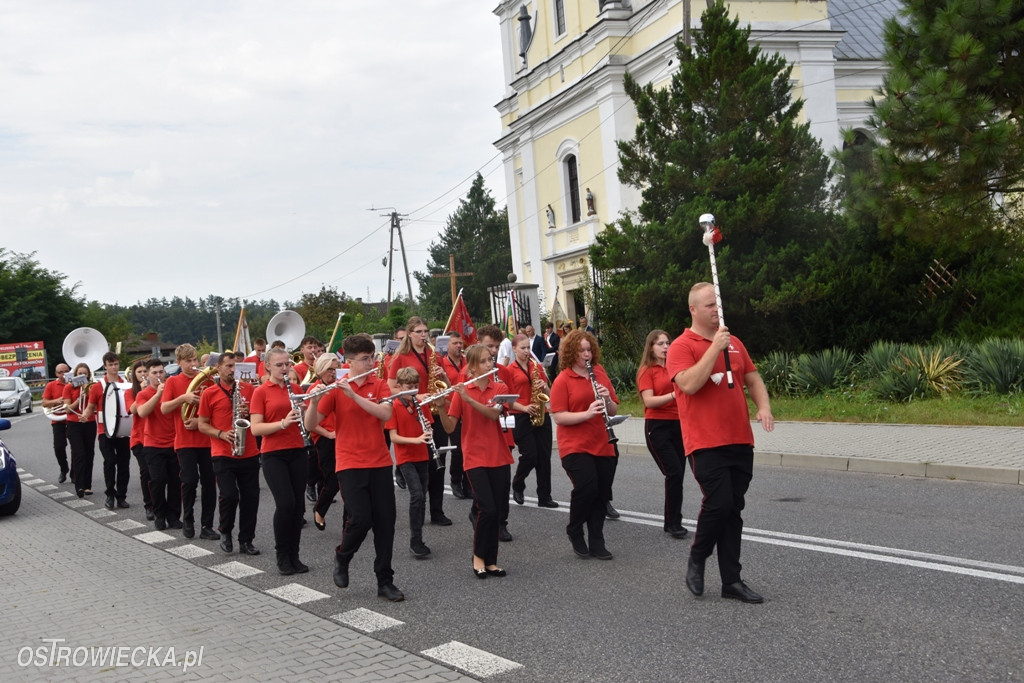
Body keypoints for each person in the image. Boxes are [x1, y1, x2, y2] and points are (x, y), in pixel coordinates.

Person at [667, 282, 774, 604]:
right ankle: (697, 557)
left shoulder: (736, 343)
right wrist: (715, 347)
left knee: (733, 510)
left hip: (739, 438)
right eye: (710, 305)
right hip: (704, 441)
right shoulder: (681, 347)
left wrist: (764, 406)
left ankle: (732, 580)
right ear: (694, 310)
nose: (717, 309)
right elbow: (689, 384)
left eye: (719, 303)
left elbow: (752, 379)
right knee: (720, 503)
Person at [306, 333, 404, 602]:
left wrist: (355, 396)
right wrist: (314, 402)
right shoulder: (336, 388)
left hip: (380, 462)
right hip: (349, 463)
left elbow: (385, 414)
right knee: (360, 518)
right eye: (365, 358)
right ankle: (343, 556)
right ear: (350, 362)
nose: (371, 361)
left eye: (372, 356)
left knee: (386, 524)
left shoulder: (380, 384)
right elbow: (310, 423)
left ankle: (385, 581)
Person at [438, 344, 513, 578]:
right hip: (474, 456)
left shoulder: (499, 387)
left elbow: (493, 414)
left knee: (498, 511)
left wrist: (467, 399)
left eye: (490, 360)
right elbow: (450, 426)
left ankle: (491, 561)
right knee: (486, 509)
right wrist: (441, 406)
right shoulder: (463, 391)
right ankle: (479, 556)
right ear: (471, 367)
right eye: (483, 361)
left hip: (499, 455)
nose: (489, 364)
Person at [549, 329, 620, 560]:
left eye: (589, 350)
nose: (587, 354)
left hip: (602, 441)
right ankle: (575, 528)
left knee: (601, 493)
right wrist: (587, 413)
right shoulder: (563, 380)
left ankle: (597, 540)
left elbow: (613, 409)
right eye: (581, 351)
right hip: (575, 444)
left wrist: (607, 398)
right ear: (572, 352)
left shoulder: (599, 372)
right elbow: (559, 416)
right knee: (587, 488)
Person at [251, 347, 310, 575]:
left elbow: (303, 422)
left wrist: (305, 410)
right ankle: (282, 555)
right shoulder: (261, 392)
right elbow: (256, 428)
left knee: (297, 507)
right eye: (279, 365)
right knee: (285, 504)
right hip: (274, 453)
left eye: (287, 364)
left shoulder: (295, 388)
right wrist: (283, 423)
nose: (285, 368)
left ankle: (294, 555)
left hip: (297, 450)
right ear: (267, 366)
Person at [387, 317, 451, 526]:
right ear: (410, 334)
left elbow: (444, 383)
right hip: (413, 411)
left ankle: (437, 510)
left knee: (438, 463)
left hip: (436, 410)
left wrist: (443, 375)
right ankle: (420, 508)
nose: (424, 335)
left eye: (425, 331)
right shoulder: (400, 357)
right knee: (423, 463)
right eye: (419, 332)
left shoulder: (434, 354)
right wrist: (416, 396)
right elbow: (390, 388)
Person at [197, 351, 261, 556]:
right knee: (229, 495)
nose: (233, 370)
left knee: (251, 497)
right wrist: (221, 434)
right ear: (218, 368)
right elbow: (202, 425)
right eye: (229, 366)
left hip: (249, 450)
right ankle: (225, 531)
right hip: (223, 451)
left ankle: (246, 540)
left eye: (236, 366)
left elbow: (259, 417)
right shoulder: (209, 393)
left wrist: (247, 412)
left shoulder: (248, 389)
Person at [161, 344, 219, 541]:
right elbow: (164, 408)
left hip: (207, 439)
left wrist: (200, 421)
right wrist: (183, 398)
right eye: (188, 361)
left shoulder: (209, 380)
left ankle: (207, 525)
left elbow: (218, 410)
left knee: (210, 483)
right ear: (178, 362)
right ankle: (187, 520)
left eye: (195, 360)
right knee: (189, 481)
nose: (193, 364)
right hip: (185, 441)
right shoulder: (173, 382)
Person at [637, 330, 688, 539]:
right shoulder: (647, 371)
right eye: (660, 344)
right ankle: (673, 522)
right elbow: (649, 401)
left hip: (679, 425)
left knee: (678, 476)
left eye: (668, 343)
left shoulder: (676, 368)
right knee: (673, 472)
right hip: (657, 427)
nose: (666, 347)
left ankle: (673, 520)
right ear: (651, 347)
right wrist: (673, 395)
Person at [474, 325, 519, 542]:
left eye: (496, 347)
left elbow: (511, 400)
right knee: (483, 484)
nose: (493, 351)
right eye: (489, 346)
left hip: (502, 430)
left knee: (502, 484)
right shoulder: (470, 374)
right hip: (479, 435)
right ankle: (479, 512)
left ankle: (501, 523)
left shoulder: (505, 371)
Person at [386, 367, 434, 559]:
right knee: (416, 496)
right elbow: (394, 437)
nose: (413, 390)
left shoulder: (421, 404)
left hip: (422, 455)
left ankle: (419, 538)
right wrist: (416, 439)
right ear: (399, 387)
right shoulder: (393, 406)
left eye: (415, 386)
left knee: (423, 497)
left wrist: (428, 427)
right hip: (406, 457)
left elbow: (429, 424)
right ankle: (415, 540)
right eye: (408, 387)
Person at [507, 334, 558, 508]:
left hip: (540, 412)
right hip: (520, 415)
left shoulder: (536, 366)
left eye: (528, 348)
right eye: (523, 348)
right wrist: (524, 407)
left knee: (544, 457)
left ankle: (545, 496)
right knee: (530, 455)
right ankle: (518, 484)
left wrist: (545, 388)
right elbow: (507, 399)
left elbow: (549, 394)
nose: (527, 351)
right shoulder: (509, 370)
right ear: (514, 349)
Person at [135, 359, 183, 530]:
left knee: (176, 482)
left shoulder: (172, 391)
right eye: (154, 373)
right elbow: (141, 412)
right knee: (157, 480)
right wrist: (157, 395)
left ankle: (174, 516)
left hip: (174, 442)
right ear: (147, 375)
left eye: (161, 372)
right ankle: (159, 515)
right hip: (153, 444)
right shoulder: (143, 394)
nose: (158, 376)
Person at [88, 351, 132, 510]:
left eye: (116, 364)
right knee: (110, 461)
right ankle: (109, 494)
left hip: (123, 430)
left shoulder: (125, 384)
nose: (114, 367)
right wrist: (84, 415)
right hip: (104, 431)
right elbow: (91, 407)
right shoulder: (97, 386)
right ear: (105, 366)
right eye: (110, 364)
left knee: (124, 464)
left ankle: (121, 496)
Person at [310, 354, 341, 531]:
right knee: (333, 480)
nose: (333, 373)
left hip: (342, 436)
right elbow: (310, 422)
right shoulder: (315, 389)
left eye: (335, 369)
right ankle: (320, 510)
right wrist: (328, 434)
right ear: (320, 370)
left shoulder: (338, 387)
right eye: (330, 369)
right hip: (325, 438)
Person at [439, 331, 469, 499]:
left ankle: (468, 482)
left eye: (460, 343)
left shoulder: (468, 361)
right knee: (457, 449)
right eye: (455, 343)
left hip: (469, 409)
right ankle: (455, 480)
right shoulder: (442, 364)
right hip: (452, 410)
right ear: (447, 346)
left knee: (468, 448)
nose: (459, 346)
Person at [125, 360, 154, 520]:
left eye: (145, 371)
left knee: (160, 475)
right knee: (146, 472)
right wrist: (142, 392)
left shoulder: (157, 390)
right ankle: (148, 505)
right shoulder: (130, 392)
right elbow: (132, 409)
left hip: (156, 437)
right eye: (139, 372)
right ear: (134, 376)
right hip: (139, 438)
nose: (143, 374)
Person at [62, 363, 96, 498]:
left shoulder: (92, 387)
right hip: (74, 424)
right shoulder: (69, 387)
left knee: (89, 454)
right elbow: (67, 408)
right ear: (75, 375)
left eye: (85, 374)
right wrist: (80, 398)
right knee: (79, 454)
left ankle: (87, 485)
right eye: (79, 374)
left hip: (89, 422)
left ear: (88, 375)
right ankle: (79, 485)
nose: (82, 376)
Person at [41, 363, 71, 482]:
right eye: (60, 372)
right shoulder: (51, 385)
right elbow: (44, 403)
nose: (63, 374)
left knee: (77, 448)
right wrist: (56, 401)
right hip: (58, 420)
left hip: (73, 419)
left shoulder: (74, 384)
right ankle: (64, 469)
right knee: (59, 447)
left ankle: (75, 473)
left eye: (66, 371)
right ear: (56, 374)